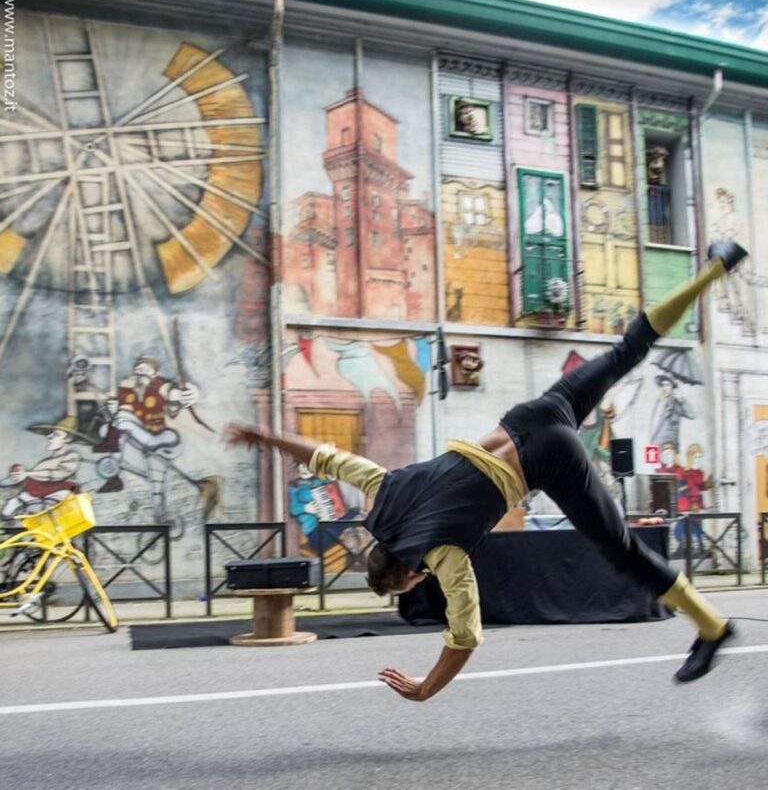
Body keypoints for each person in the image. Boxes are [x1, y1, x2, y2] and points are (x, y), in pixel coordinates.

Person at [225, 241, 746, 702]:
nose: (422, 578)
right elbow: (321, 455)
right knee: (629, 348)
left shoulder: (441, 554)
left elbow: (465, 635)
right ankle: (716, 267)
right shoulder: (383, 488)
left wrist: (425, 688)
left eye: (415, 582)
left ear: (410, 574)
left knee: (624, 552)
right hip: (533, 414)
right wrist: (263, 436)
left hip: (549, 457)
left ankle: (712, 625)